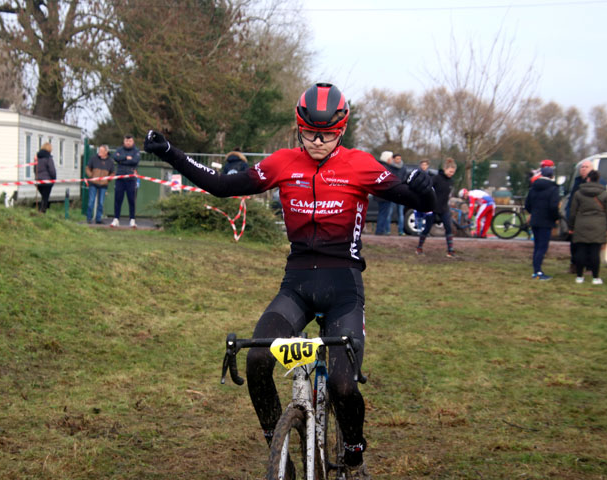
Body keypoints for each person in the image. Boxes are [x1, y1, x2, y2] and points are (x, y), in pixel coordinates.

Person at [144, 82, 435, 479]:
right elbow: (222, 185)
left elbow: (418, 202)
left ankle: (353, 456)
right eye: (310, 132)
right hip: (296, 284)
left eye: (328, 133)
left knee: (344, 386)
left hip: (343, 289)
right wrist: (170, 153)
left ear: (342, 130)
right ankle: (279, 451)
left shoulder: (361, 165)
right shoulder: (282, 163)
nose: (318, 140)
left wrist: (427, 192)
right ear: (298, 127)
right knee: (258, 359)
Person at [568, 170, 607, 285]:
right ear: (598, 179)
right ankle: (595, 277)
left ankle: (579, 276)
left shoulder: (578, 193)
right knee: (595, 252)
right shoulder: (605, 193)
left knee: (580, 251)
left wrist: (571, 226)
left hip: (581, 224)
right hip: (599, 225)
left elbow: (573, 212)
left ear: (588, 179)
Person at [525, 162, 560, 280]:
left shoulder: (533, 187)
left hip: (535, 220)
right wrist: (556, 218)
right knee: (542, 247)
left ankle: (536, 270)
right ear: (552, 176)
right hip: (546, 221)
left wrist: (533, 213)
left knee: (537, 246)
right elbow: (553, 206)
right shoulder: (553, 188)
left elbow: (527, 204)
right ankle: (538, 272)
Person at [416, 157, 457, 257]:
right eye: (450, 171)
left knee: (448, 228)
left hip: (444, 208)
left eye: (453, 172)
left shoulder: (451, 181)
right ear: (445, 169)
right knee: (427, 228)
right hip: (433, 207)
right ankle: (419, 248)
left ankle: (450, 251)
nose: (451, 174)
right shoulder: (436, 178)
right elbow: (426, 188)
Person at [111, 134, 141, 228]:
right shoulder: (119, 150)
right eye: (126, 141)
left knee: (131, 200)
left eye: (130, 141)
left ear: (133, 142)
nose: (128, 143)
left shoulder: (136, 151)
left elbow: (135, 161)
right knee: (118, 199)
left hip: (131, 179)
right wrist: (126, 158)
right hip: (120, 178)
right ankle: (116, 219)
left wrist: (122, 159)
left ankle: (132, 220)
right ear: (124, 141)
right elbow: (115, 157)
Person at [86, 145, 115, 224]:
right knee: (91, 201)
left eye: (101, 151)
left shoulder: (110, 161)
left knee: (101, 203)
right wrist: (91, 175)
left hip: (103, 185)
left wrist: (108, 179)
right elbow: (88, 168)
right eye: (99, 151)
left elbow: (112, 173)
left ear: (106, 152)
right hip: (93, 183)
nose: (99, 152)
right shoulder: (93, 159)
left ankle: (98, 219)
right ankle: (89, 218)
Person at [374, 151, 394, 235]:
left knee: (382, 212)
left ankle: (380, 229)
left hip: (380, 194)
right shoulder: (387, 168)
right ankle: (380, 230)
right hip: (385, 195)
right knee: (384, 213)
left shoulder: (379, 166)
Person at [33, 143, 56, 213]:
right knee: (45, 197)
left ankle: (41, 211)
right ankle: (42, 211)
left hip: (38, 181)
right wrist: (54, 179)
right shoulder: (48, 158)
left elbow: (34, 169)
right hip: (47, 181)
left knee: (44, 196)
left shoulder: (37, 158)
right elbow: (52, 170)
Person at [391, 153, 408, 235]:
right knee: (389, 212)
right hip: (392, 193)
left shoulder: (403, 168)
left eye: (400, 158)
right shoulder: (390, 167)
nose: (399, 160)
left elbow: (405, 179)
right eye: (397, 158)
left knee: (401, 213)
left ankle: (401, 230)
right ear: (393, 159)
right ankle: (387, 230)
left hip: (401, 193)